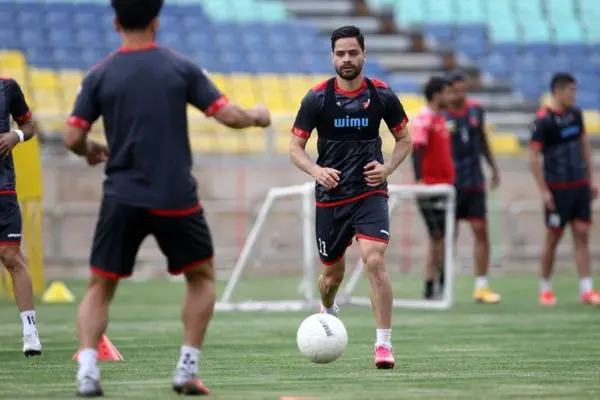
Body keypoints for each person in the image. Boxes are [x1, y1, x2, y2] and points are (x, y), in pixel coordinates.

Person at [64, 0, 271, 396]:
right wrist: (258, 116)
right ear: (156, 23)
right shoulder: (180, 67)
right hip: (174, 196)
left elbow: (72, 136)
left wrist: (90, 149)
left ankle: (87, 372)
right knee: (201, 277)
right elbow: (229, 116)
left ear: (115, 23)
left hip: (122, 196)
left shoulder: (99, 74)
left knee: (100, 285)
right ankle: (186, 369)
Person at [289, 25, 412, 370]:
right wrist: (316, 171)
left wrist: (387, 168)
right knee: (331, 278)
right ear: (332, 57)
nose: (346, 59)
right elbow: (295, 148)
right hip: (331, 199)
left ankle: (383, 344)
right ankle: (327, 307)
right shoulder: (317, 98)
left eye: (352, 53)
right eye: (340, 53)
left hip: (370, 193)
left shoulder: (382, 95)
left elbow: (405, 139)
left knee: (374, 260)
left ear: (364, 55)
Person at [528, 72, 599, 306]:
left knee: (582, 234)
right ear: (557, 92)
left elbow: (584, 148)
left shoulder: (576, 115)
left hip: (579, 185)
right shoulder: (543, 120)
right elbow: (533, 157)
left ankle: (586, 289)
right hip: (557, 189)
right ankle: (545, 288)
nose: (574, 95)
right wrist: (544, 191)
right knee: (553, 238)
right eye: (571, 90)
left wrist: (591, 179)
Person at [442, 72, 501, 304]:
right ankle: (444, 283)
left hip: (475, 181)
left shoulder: (476, 110)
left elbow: (483, 140)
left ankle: (481, 286)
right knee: (448, 235)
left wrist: (493, 168)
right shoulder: (442, 115)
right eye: (456, 90)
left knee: (480, 230)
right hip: (450, 183)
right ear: (448, 90)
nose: (461, 95)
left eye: (463, 90)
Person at [0, 77, 42, 357]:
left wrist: (17, 135)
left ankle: (30, 332)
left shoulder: (7, 88)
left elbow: (29, 125)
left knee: (12, 256)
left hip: (3, 189)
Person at [411, 77, 455, 300]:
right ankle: (433, 284)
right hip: (430, 188)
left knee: (440, 237)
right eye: (447, 92)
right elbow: (417, 149)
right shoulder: (424, 119)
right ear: (437, 95)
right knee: (437, 235)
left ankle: (436, 284)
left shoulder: (441, 119)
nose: (451, 97)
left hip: (444, 187)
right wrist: (419, 181)